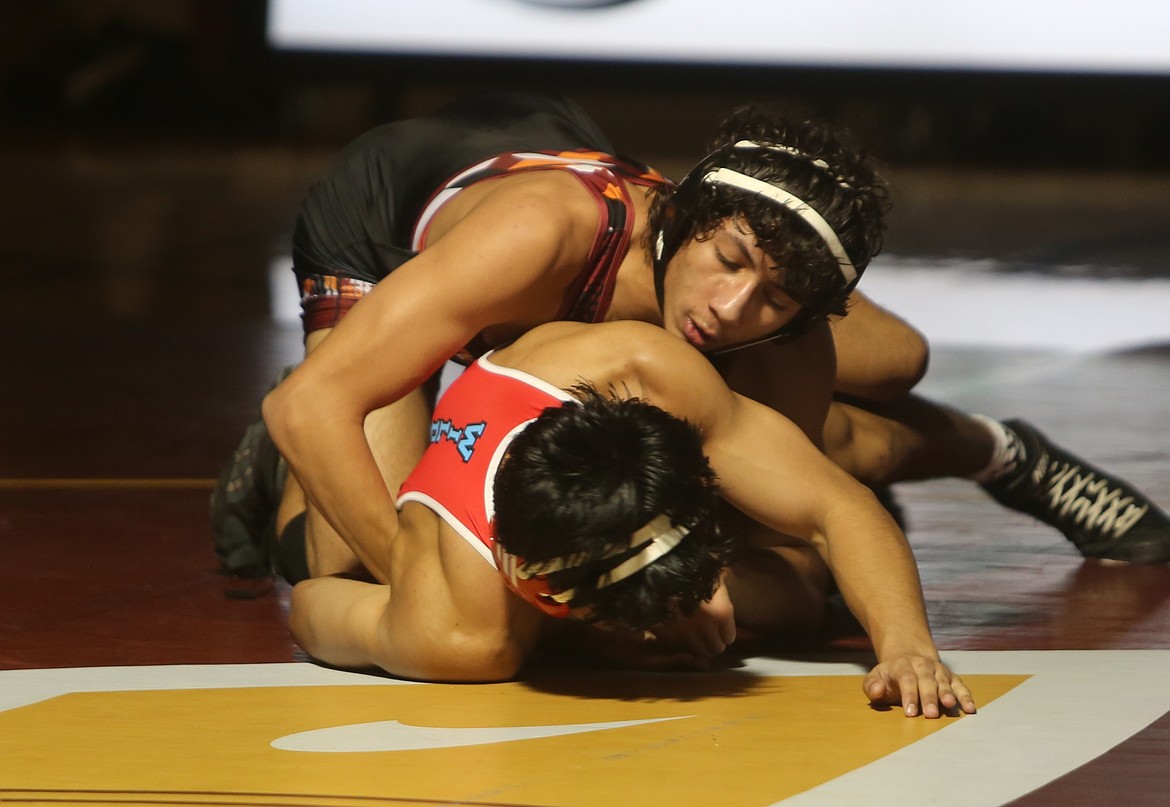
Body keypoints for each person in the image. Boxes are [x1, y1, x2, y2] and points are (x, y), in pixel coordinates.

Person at [213, 89, 1169, 585]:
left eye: (779, 295)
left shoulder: (751, 303)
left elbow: (775, 509)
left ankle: (1003, 453)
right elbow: (309, 405)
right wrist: (419, 577)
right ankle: (309, 448)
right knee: (335, 555)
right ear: (689, 222)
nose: (730, 308)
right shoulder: (543, 234)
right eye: (729, 258)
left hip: (579, 228)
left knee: (877, 382)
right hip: (388, 226)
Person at [287, 318, 978, 719]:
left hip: (530, 487)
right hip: (414, 473)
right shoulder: (465, 634)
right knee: (317, 554)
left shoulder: (638, 366)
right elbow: (312, 604)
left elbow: (838, 504)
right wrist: (598, 643)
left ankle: (992, 448)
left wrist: (909, 647)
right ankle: (275, 484)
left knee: (827, 491)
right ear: (531, 584)